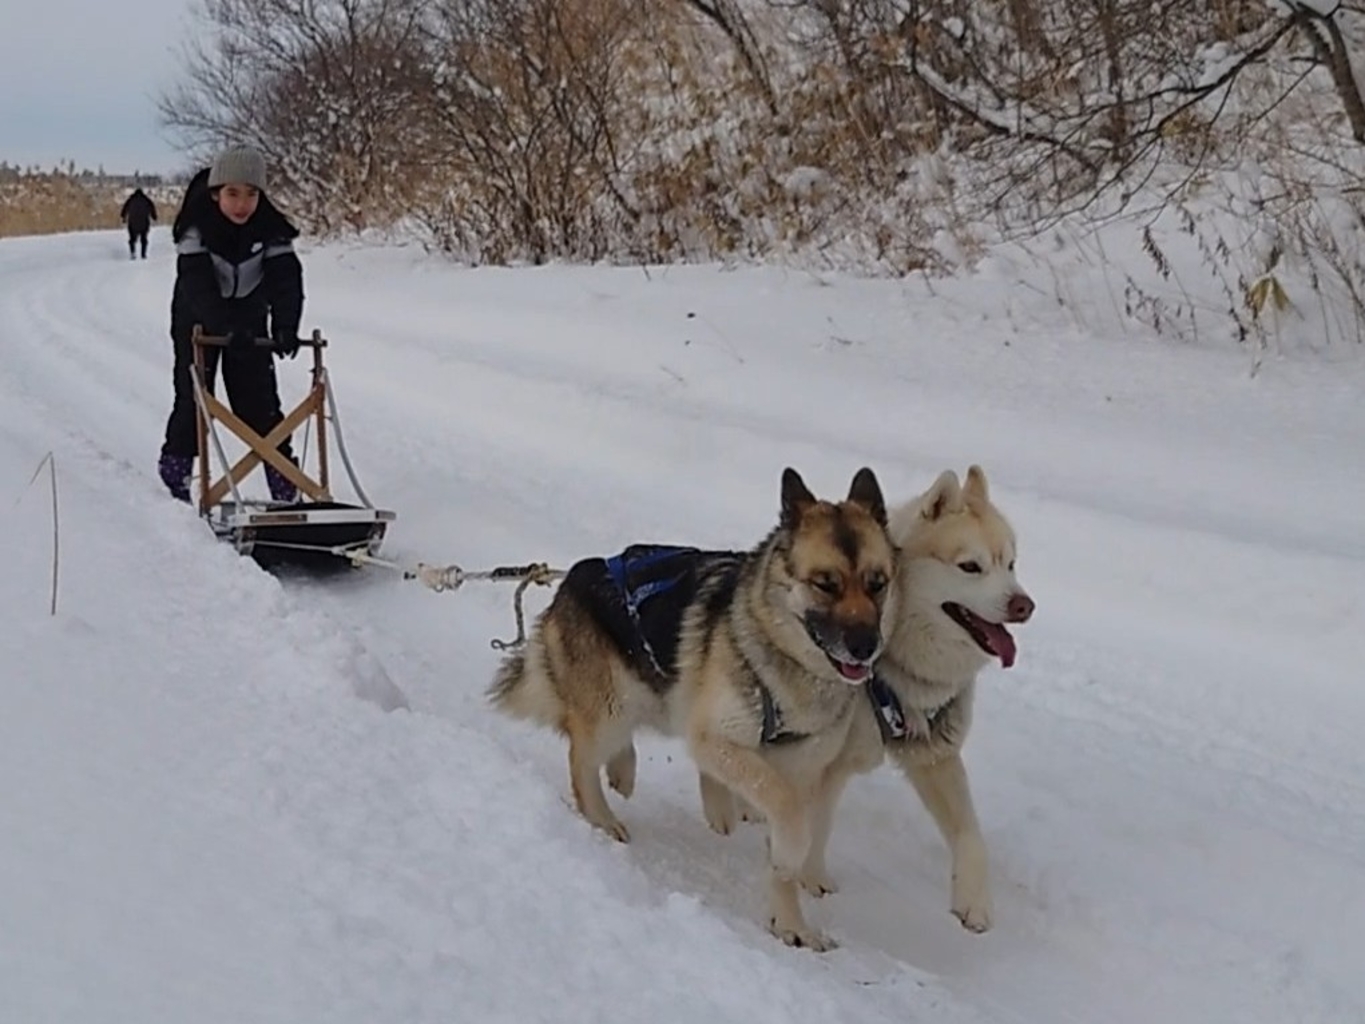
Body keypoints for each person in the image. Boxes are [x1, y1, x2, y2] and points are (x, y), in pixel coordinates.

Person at [156, 145, 305, 504]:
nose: (242, 204)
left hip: (250, 312)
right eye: (233, 194)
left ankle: (286, 489)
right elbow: (198, 285)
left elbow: (287, 280)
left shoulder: (270, 229)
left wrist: (286, 326)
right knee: (195, 397)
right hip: (195, 315)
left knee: (260, 404)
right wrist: (222, 327)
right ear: (215, 193)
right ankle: (176, 474)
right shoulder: (196, 230)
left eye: (251, 194)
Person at [119, 186, 158, 259]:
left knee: (132, 239)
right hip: (144, 223)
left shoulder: (131, 200)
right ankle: (143, 254)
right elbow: (152, 209)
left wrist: (123, 218)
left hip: (132, 223)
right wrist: (154, 217)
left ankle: (133, 253)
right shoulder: (146, 200)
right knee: (144, 239)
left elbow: (124, 209)